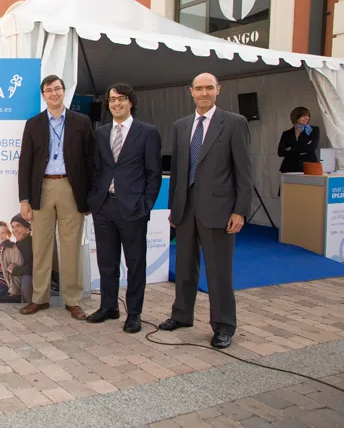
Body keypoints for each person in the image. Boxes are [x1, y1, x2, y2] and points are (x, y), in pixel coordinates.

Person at [159, 72, 252, 349]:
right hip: (186, 210)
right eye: (198, 88)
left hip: (220, 212)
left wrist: (240, 211)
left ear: (218, 90)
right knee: (185, 267)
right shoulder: (181, 126)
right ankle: (182, 315)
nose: (203, 93)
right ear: (191, 92)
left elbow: (244, 172)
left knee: (219, 272)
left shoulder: (234, 123)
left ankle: (224, 326)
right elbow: (177, 171)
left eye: (208, 88)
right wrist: (174, 208)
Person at [86, 83, 162, 334]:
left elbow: (154, 174)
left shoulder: (147, 132)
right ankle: (109, 307)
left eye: (120, 99)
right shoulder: (101, 133)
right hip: (105, 207)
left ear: (131, 101)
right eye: (111, 100)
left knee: (135, 263)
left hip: (133, 210)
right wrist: (94, 199)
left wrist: (145, 205)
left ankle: (134, 314)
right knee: (106, 262)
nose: (115, 103)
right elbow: (97, 169)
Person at [17, 74, 95, 319]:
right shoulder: (34, 124)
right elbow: (25, 163)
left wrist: (89, 195)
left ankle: (73, 300)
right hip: (43, 189)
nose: (54, 93)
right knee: (40, 246)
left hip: (71, 188)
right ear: (43, 95)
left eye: (57, 88)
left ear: (64, 91)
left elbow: (91, 161)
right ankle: (39, 298)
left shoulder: (82, 122)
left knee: (71, 245)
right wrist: (24, 198)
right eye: (49, 90)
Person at [278, 106, 320, 173]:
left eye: (308, 116)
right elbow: (280, 152)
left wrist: (291, 148)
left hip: (308, 166)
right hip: (289, 167)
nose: (307, 118)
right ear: (296, 116)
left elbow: (311, 148)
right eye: (304, 116)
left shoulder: (313, 130)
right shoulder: (286, 133)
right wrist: (304, 148)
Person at [8, 214, 33, 303]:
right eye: (13, 227)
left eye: (18, 226)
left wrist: (15, 270)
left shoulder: (32, 243)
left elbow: (33, 268)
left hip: (32, 276)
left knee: (26, 281)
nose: (15, 230)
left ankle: (29, 306)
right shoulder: (16, 245)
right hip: (20, 276)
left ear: (27, 229)